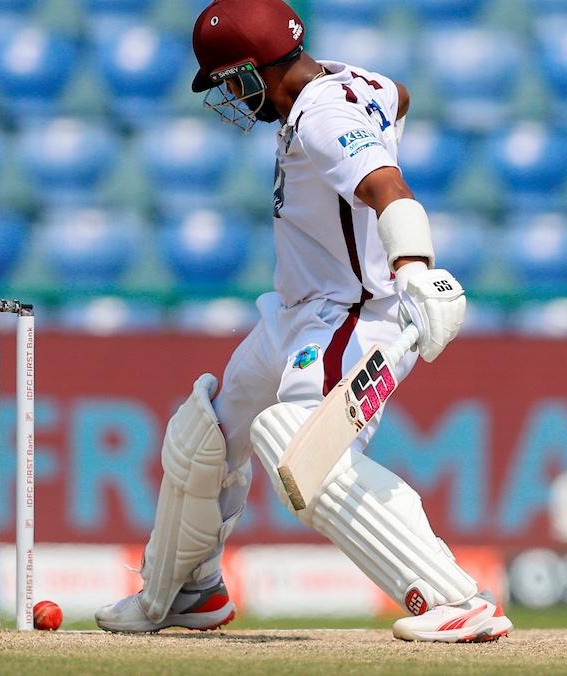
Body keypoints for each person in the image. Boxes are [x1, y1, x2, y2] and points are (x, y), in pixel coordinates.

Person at [95, 0, 512, 643]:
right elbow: (397, 95)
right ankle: (188, 591)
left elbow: (387, 187)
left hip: (350, 316)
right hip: (293, 312)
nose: (232, 97)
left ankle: (456, 600)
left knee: (303, 450)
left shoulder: (321, 117)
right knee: (205, 433)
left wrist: (413, 268)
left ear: (253, 69)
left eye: (231, 81)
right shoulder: (352, 82)